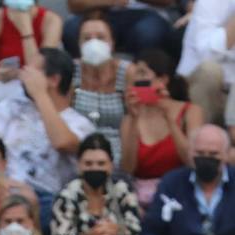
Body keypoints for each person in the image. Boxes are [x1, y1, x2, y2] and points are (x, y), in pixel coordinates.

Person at [0, 49, 94, 235]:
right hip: (2, 189)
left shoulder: (80, 124)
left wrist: (41, 95)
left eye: (31, 71)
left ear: (53, 80)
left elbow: (62, 142)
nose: (23, 75)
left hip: (47, 199)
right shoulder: (12, 107)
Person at [120, 50, 203, 208]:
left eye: (142, 73)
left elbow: (192, 161)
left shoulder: (190, 111)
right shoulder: (129, 119)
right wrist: (134, 118)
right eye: (134, 74)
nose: (135, 78)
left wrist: (169, 119)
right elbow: (128, 168)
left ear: (162, 80)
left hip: (183, 192)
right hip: (142, 200)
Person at [0, 0, 62, 125]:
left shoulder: (51, 20)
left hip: (35, 87)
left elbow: (40, 70)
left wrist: (26, 31)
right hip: (3, 83)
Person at [68, 14, 129, 164]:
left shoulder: (128, 73)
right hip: (76, 154)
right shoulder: (69, 71)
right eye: (87, 38)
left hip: (119, 153)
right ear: (79, 44)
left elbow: (133, 122)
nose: (94, 43)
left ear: (112, 43)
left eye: (101, 38)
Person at [61, 0, 176, 73]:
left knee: (149, 33)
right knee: (72, 30)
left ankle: (141, 85)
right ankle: (80, 83)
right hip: (98, 9)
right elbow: (74, 4)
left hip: (145, 12)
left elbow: (168, 1)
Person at [177, 0, 235, 127]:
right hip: (207, 91)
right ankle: (198, 139)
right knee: (210, 71)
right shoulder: (210, 3)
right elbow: (208, 56)